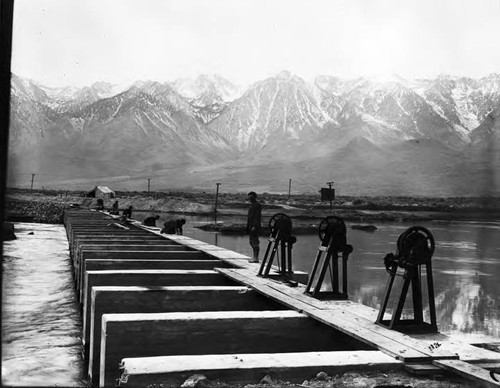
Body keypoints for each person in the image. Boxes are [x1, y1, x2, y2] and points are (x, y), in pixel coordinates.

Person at [246, 191, 262, 263]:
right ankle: (254, 257)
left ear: (255, 197)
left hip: (254, 227)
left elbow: (257, 217)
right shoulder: (251, 206)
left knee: (255, 242)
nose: (250, 199)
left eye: (251, 197)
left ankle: (256, 258)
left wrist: (255, 226)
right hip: (250, 226)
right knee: (251, 242)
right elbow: (249, 218)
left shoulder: (257, 205)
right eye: (249, 197)